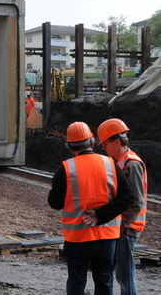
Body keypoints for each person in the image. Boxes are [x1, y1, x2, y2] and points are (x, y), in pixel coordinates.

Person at [48, 122, 134, 295]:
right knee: (104, 281)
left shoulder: (65, 168)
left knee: (76, 280)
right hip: (106, 237)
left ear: (70, 146)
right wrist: (100, 215)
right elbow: (128, 198)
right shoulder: (111, 164)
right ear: (92, 142)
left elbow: (55, 203)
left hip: (77, 238)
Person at [97, 119, 148, 295]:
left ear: (116, 142)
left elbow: (137, 202)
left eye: (104, 143)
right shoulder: (121, 161)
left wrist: (123, 226)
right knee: (120, 273)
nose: (103, 148)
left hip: (127, 228)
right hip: (120, 228)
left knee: (125, 276)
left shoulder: (131, 164)